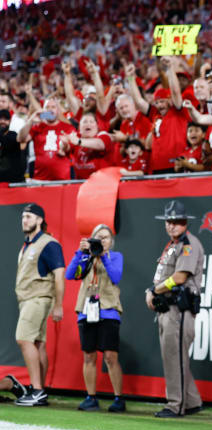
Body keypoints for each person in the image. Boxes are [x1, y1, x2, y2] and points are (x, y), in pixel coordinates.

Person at [144, 200, 204, 418]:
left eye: (176, 221)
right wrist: (155, 291)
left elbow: (179, 277)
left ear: (185, 222)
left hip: (179, 310)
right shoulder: (172, 245)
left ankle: (175, 405)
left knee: (174, 358)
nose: (171, 225)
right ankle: (192, 401)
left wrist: (154, 290)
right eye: (168, 221)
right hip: (168, 310)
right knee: (176, 358)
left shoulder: (188, 244)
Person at [64, 224, 125, 412]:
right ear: (92, 240)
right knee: (89, 355)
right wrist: (80, 253)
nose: (102, 240)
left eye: (106, 237)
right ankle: (91, 397)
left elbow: (116, 276)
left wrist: (103, 257)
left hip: (108, 310)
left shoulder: (115, 257)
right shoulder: (86, 257)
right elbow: (69, 275)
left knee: (110, 356)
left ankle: (118, 398)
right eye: (98, 237)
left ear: (111, 242)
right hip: (86, 310)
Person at [15, 203, 65, 407]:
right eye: (23, 217)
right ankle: (40, 390)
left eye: (29, 216)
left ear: (39, 220)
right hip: (28, 300)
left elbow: (60, 275)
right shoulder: (28, 244)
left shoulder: (49, 243)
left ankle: (36, 390)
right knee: (38, 343)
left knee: (23, 339)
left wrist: (59, 305)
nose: (24, 220)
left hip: (38, 298)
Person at [16, 99, 76, 180]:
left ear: (58, 110)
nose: (50, 109)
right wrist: (30, 121)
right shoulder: (37, 127)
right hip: (40, 179)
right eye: (47, 107)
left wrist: (65, 146)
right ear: (43, 111)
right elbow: (20, 139)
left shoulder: (68, 128)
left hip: (62, 179)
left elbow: (73, 149)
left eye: (53, 107)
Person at [0, 108, 24, 182]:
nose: (2, 121)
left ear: (10, 121)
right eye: (0, 119)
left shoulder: (13, 135)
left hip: (13, 181)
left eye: (6, 119)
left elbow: (7, 143)